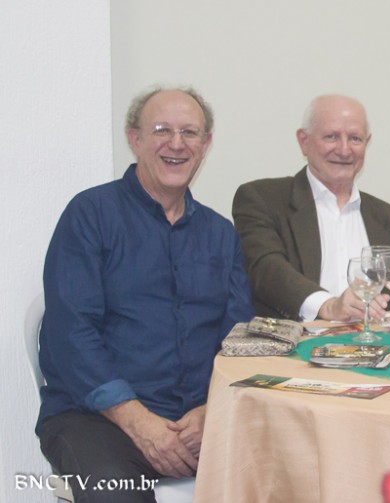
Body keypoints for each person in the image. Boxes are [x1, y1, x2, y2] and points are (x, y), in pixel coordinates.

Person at [36, 87, 254, 502]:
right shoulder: (90, 215)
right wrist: (138, 421)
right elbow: (71, 333)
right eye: (161, 130)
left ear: (205, 144)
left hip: (200, 420)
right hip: (97, 419)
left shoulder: (221, 234)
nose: (176, 143)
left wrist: (213, 410)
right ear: (134, 139)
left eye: (189, 132)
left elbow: (239, 339)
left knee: (291, 469)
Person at [233, 95, 390, 323]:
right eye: (331, 137)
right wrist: (328, 306)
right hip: (296, 343)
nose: (344, 150)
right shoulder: (262, 199)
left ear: (367, 143)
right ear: (303, 141)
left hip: (375, 342)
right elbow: (266, 269)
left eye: (355, 139)